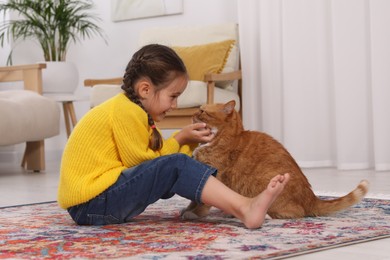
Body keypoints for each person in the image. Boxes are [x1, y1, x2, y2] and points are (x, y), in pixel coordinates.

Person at [57, 44, 290, 229]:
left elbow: (156, 162)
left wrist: (184, 142)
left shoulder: (136, 113)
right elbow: (144, 163)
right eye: (173, 96)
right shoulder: (125, 111)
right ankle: (244, 207)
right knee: (176, 165)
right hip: (91, 204)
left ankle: (236, 204)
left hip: (96, 202)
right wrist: (180, 140)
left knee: (176, 165)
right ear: (145, 90)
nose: (175, 105)